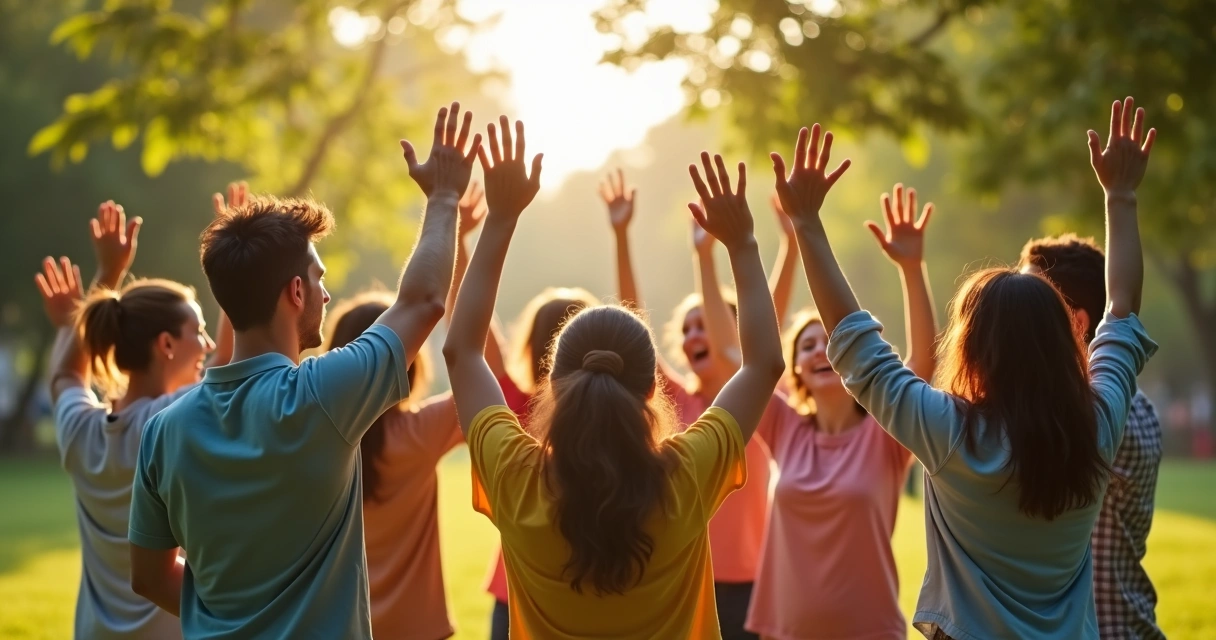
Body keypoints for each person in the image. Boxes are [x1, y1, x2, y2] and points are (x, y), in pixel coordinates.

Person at [775, 99, 1157, 640]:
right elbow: (1122, 309)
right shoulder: (1097, 426)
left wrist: (806, 224)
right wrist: (1121, 196)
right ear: (1066, 336)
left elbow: (858, 349)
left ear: (973, 349)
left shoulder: (949, 432)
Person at [125, 102, 481, 638]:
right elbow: (425, 301)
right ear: (296, 292)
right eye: (319, 278)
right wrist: (445, 197)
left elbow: (149, 578)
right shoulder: (321, 396)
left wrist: (228, 617)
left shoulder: (162, 431)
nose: (327, 291)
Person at [444, 119, 784, 638]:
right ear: (652, 389)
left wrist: (501, 219)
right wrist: (743, 243)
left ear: (553, 384)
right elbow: (763, 364)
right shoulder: (686, 476)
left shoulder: (516, 477)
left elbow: (462, 350)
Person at [606, 167, 797, 639]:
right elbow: (632, 318)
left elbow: (765, 326)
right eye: (687, 328)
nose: (696, 334)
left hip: (754, 582)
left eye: (705, 324)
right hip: (685, 573)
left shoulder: (756, 400)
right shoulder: (670, 397)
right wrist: (621, 235)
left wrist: (790, 245)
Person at [746, 184, 938, 640]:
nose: (821, 351)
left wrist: (912, 269)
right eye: (807, 345)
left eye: (830, 342)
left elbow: (923, 363)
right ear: (794, 371)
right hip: (784, 631)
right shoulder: (783, 426)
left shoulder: (885, 434)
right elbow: (755, 354)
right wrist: (790, 245)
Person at [37, 197, 233, 640]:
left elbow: (66, 374)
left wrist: (106, 274)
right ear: (166, 344)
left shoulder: (81, 430)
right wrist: (231, 262)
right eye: (197, 330)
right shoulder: (172, 420)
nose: (205, 343)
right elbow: (226, 361)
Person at [1018, 234, 1165, 640]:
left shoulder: (1110, 414)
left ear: (1076, 322)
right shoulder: (1131, 405)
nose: (1012, 315)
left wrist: (1120, 198)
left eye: (1029, 304)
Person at [483, 285, 599, 640]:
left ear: (533, 348)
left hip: (519, 582)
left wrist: (461, 247)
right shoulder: (613, 419)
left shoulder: (516, 406)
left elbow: (474, 341)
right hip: (592, 585)